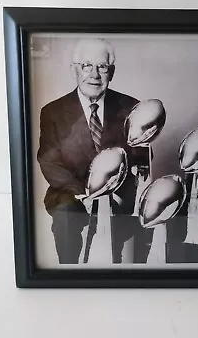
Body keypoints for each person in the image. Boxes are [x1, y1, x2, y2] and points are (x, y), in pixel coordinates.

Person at [37, 38, 149, 264]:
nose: (95, 75)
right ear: (74, 70)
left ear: (112, 72)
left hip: (118, 193)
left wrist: (112, 193)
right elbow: (49, 162)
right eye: (87, 65)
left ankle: (124, 279)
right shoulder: (53, 111)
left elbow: (141, 158)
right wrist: (87, 194)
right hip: (72, 191)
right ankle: (69, 275)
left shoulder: (132, 107)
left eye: (103, 67)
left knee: (137, 223)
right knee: (66, 216)